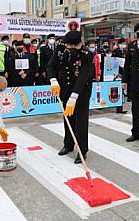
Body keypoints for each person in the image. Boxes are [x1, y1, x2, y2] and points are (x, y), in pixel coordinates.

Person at [48, 31, 93, 164]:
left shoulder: (87, 55)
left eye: (75, 46)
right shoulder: (60, 49)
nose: (72, 49)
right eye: (70, 46)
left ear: (81, 43)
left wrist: (74, 98)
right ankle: (68, 144)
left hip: (82, 91)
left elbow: (83, 77)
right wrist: (53, 80)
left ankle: (82, 150)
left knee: (81, 121)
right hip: (65, 88)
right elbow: (51, 65)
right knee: (68, 118)